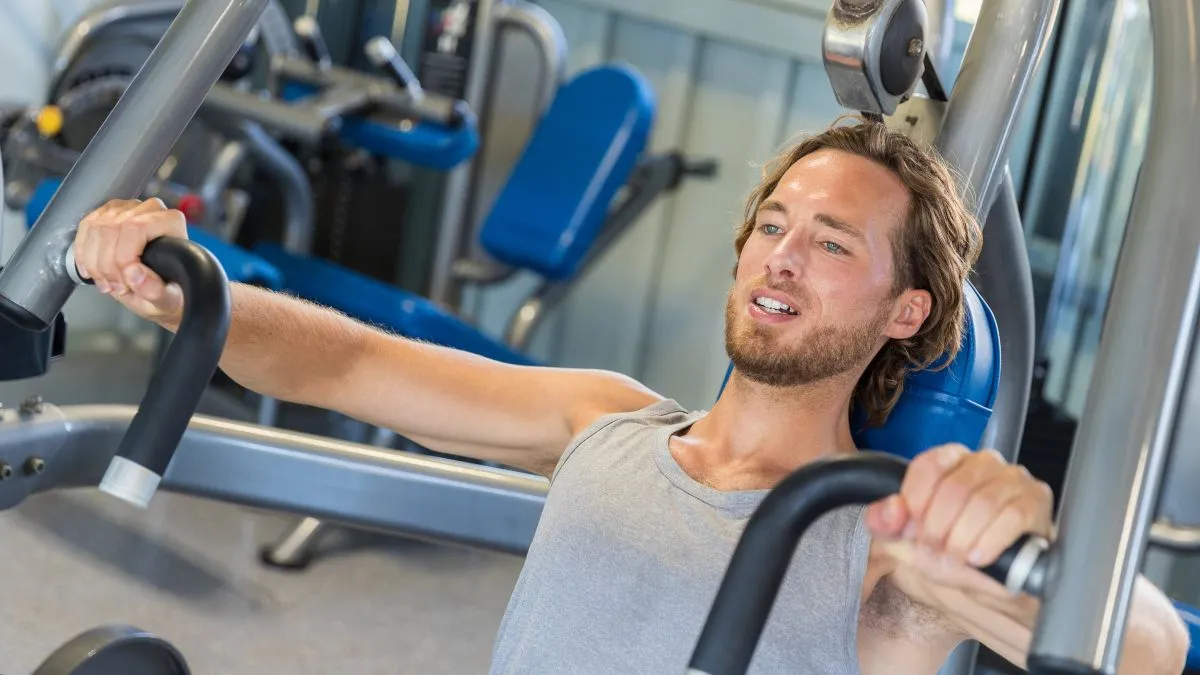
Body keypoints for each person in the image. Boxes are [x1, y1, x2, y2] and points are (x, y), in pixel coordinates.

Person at [74, 115, 1188, 674]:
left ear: (908, 312)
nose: (781, 260)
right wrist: (182, 287)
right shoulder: (606, 420)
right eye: (772, 227)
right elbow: (351, 365)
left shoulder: (889, 533)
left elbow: (1145, 648)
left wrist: (1033, 534)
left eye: (833, 243)